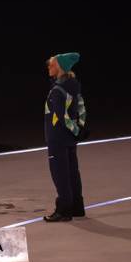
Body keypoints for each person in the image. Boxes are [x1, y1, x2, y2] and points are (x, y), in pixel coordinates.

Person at [43, 52, 86, 222]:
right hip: (69, 139)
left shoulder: (57, 91)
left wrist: (75, 130)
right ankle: (77, 206)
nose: (49, 67)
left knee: (60, 174)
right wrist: (80, 128)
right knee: (72, 172)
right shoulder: (73, 85)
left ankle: (64, 210)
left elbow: (61, 117)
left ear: (60, 68)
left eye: (52, 65)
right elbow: (82, 106)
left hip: (57, 138)